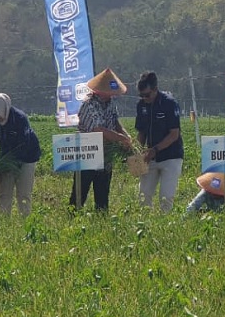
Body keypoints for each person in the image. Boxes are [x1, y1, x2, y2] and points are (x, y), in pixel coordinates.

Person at [73, 68, 134, 212]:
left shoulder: (110, 103)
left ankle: (101, 218)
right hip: (88, 154)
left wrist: (126, 135)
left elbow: (115, 122)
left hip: (105, 155)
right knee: (79, 193)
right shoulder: (90, 104)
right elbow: (98, 129)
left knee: (102, 193)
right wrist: (120, 138)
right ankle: (73, 219)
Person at [0, 93, 41, 217]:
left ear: (3, 109)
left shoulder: (19, 118)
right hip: (7, 156)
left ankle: (25, 218)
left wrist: (13, 161)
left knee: (24, 192)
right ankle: (4, 219)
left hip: (27, 156)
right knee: (5, 191)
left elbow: (23, 143)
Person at [134, 72, 184, 212]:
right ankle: (145, 226)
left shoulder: (169, 103)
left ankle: (165, 227)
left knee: (166, 197)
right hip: (150, 157)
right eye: (141, 95)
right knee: (144, 196)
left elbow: (174, 134)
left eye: (147, 95)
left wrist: (155, 150)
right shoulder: (141, 106)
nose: (144, 98)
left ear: (155, 89)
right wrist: (137, 153)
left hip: (171, 157)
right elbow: (141, 133)